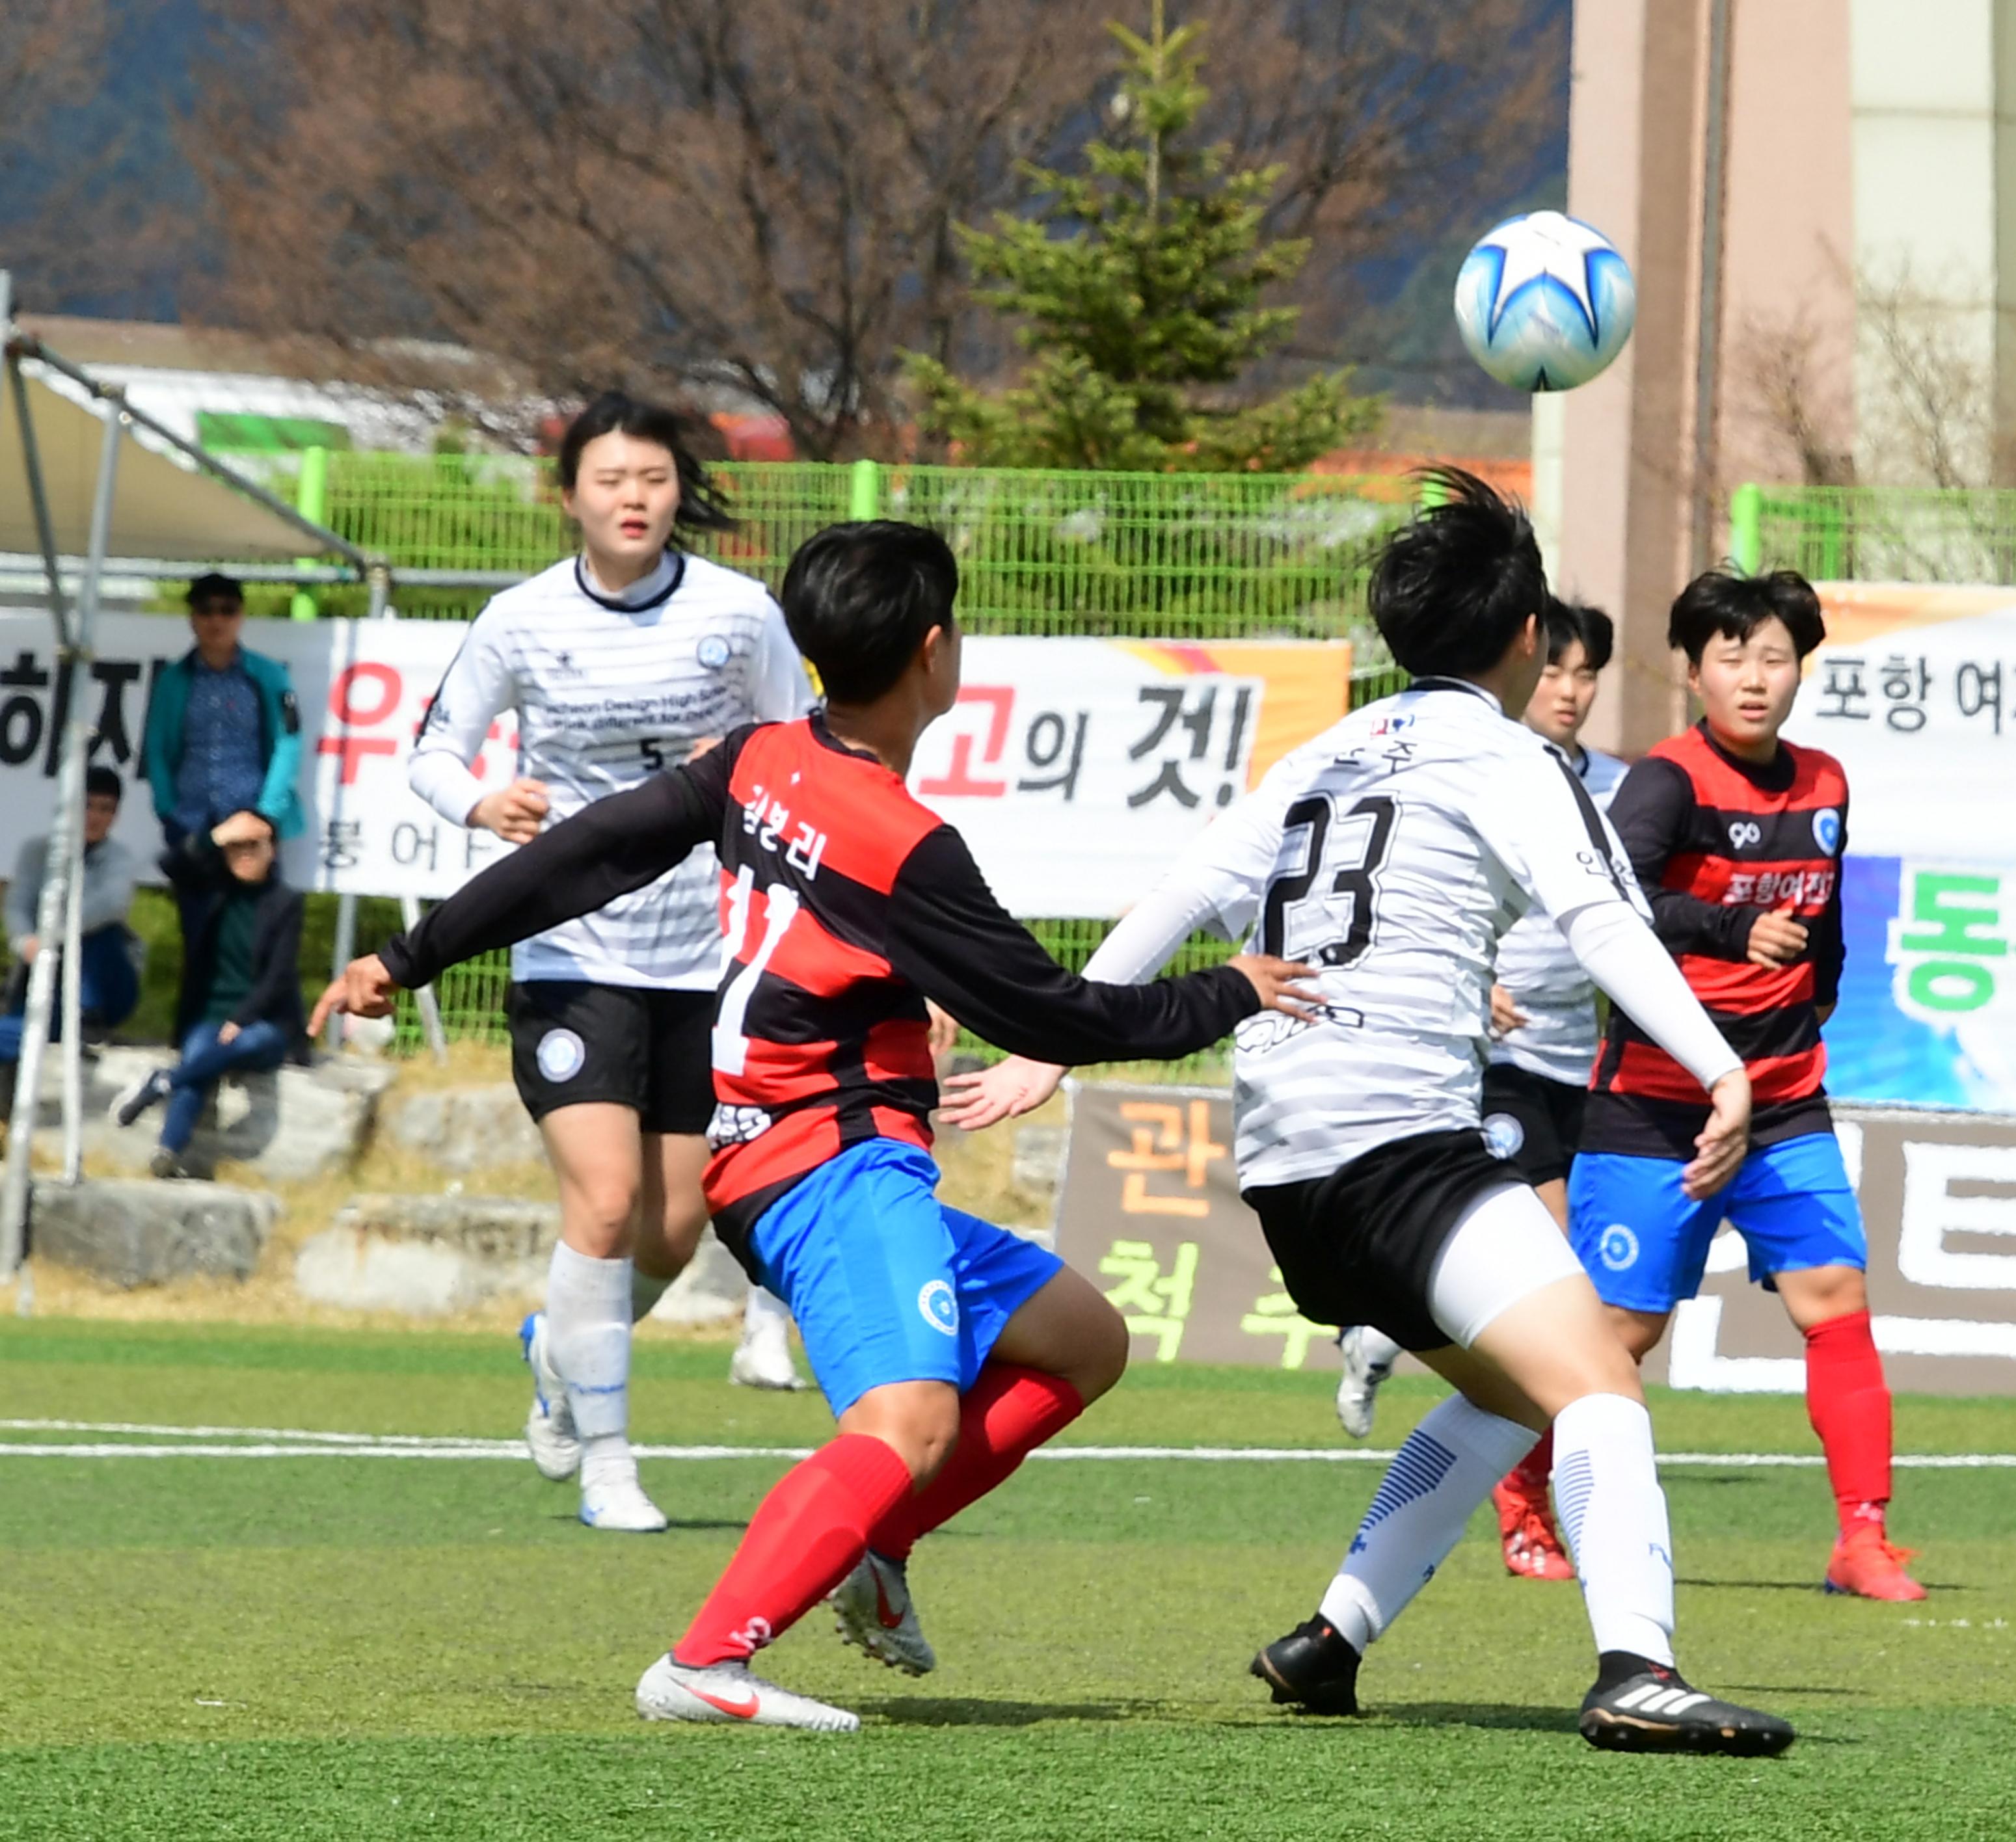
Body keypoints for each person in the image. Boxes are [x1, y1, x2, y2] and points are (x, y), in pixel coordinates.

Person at [316, 518, 1308, 1732]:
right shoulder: (907, 843)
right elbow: (1056, 1010)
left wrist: (409, 954)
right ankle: (704, 1660)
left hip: (782, 1149)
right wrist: (1233, 989)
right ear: (937, 652)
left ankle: (870, 1546)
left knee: (1082, 1340)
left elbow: (586, 850)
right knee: (910, 1417)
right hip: (825, 1163)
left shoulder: (763, 757)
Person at [948, 472, 1794, 1755]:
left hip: (1290, 1177)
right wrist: (1720, 1063)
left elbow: (1178, 898)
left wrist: (1054, 1046)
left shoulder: (1321, 752)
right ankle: (1638, 1669)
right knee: (1600, 1386)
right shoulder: (1508, 754)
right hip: (1399, 1148)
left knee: (1508, 1395)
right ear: (1524, 639)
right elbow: (1601, 919)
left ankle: (1330, 1638)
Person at [407, 392, 818, 1535]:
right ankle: (608, 1460)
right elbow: (434, 748)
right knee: (605, 1198)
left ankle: (561, 1347)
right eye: (609, 480)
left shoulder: (742, 615)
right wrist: (482, 798)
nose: (632, 497)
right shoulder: (521, 619)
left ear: (679, 488)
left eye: (652, 478)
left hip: (707, 954)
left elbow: (802, 750)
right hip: (569, 948)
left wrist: (740, 764)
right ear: (570, 495)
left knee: (677, 1229)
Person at [1562, 568, 1919, 1605]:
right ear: (1693, 671)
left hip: (1784, 1098)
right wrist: (1725, 926)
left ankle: (1863, 1541)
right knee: (1621, 1334)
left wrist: (1817, 1010)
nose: (1755, 679)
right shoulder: (1666, 781)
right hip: (1654, 1101)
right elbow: (1615, 899)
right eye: (1732, 658)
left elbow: (1828, 923)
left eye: (1775, 657)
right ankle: (1524, 1491)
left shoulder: (1826, 784)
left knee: (1837, 1301)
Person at [1330, 594, 1625, 1590]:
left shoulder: (1615, 787)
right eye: (1557, 671)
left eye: (1590, 676)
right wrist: (1468, 982)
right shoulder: (1469, 770)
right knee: (1556, 1303)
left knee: (1578, 1312)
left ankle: (1391, 1329)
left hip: (1582, 1065)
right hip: (1493, 1067)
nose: (1573, 693)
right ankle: (1526, 1519)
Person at [111, 808, 304, 1179]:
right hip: (208, 1015)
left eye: (254, 845)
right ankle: (167, 1150)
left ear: (273, 851)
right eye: (236, 846)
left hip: (263, 1020)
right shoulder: (210, 893)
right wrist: (214, 836)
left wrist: (241, 1018)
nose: (244, 854)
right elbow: (171, 863)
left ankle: (160, 1083)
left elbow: (279, 976)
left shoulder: (285, 902)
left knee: (242, 1044)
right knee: (201, 1058)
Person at [144, 573, 305, 853]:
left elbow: (288, 742)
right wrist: (167, 809)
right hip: (189, 822)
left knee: (256, 899)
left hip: (251, 822)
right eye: (206, 610)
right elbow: (155, 746)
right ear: (192, 618)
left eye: (227, 610)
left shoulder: (269, 676)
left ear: (241, 616)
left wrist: (267, 813)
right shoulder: (173, 679)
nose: (216, 620)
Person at [2, 766, 143, 1061]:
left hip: (106, 985)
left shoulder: (119, 858)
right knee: (23, 1033)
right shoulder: (37, 852)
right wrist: (26, 943)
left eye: (106, 809)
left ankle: (88, 1016)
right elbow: (18, 906)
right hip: (48, 976)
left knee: (96, 932)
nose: (95, 817)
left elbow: (111, 905)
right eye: (87, 805)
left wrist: (50, 936)